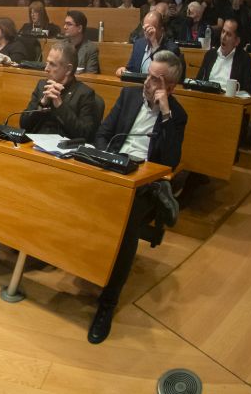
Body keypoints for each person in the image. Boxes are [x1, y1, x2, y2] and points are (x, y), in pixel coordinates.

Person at [0, 40, 101, 275]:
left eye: (53, 65)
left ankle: (39, 245)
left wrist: (59, 104)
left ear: (68, 69)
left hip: (63, 160)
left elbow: (85, 135)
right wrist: (43, 102)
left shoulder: (86, 95)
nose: (46, 69)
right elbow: (24, 123)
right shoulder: (41, 86)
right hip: (32, 150)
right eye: (47, 63)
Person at [88, 51, 187, 344]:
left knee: (127, 221)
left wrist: (166, 113)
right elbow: (103, 133)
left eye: (156, 79)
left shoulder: (177, 115)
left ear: (169, 87)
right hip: (111, 165)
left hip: (144, 179)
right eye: (148, 75)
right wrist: (107, 158)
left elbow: (169, 161)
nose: (147, 83)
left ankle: (108, 302)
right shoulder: (129, 96)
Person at [195, 18, 251, 94]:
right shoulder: (210, 55)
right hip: (208, 99)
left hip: (229, 102)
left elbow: (249, 90)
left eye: (228, 34)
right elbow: (198, 82)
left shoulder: (244, 58)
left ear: (236, 41)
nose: (223, 37)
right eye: (223, 32)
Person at [118, 11, 180, 75]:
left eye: (150, 30)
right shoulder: (139, 44)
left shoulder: (172, 49)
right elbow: (131, 70)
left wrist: (154, 44)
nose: (147, 34)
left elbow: (164, 73)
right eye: (145, 29)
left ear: (162, 30)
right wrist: (124, 71)